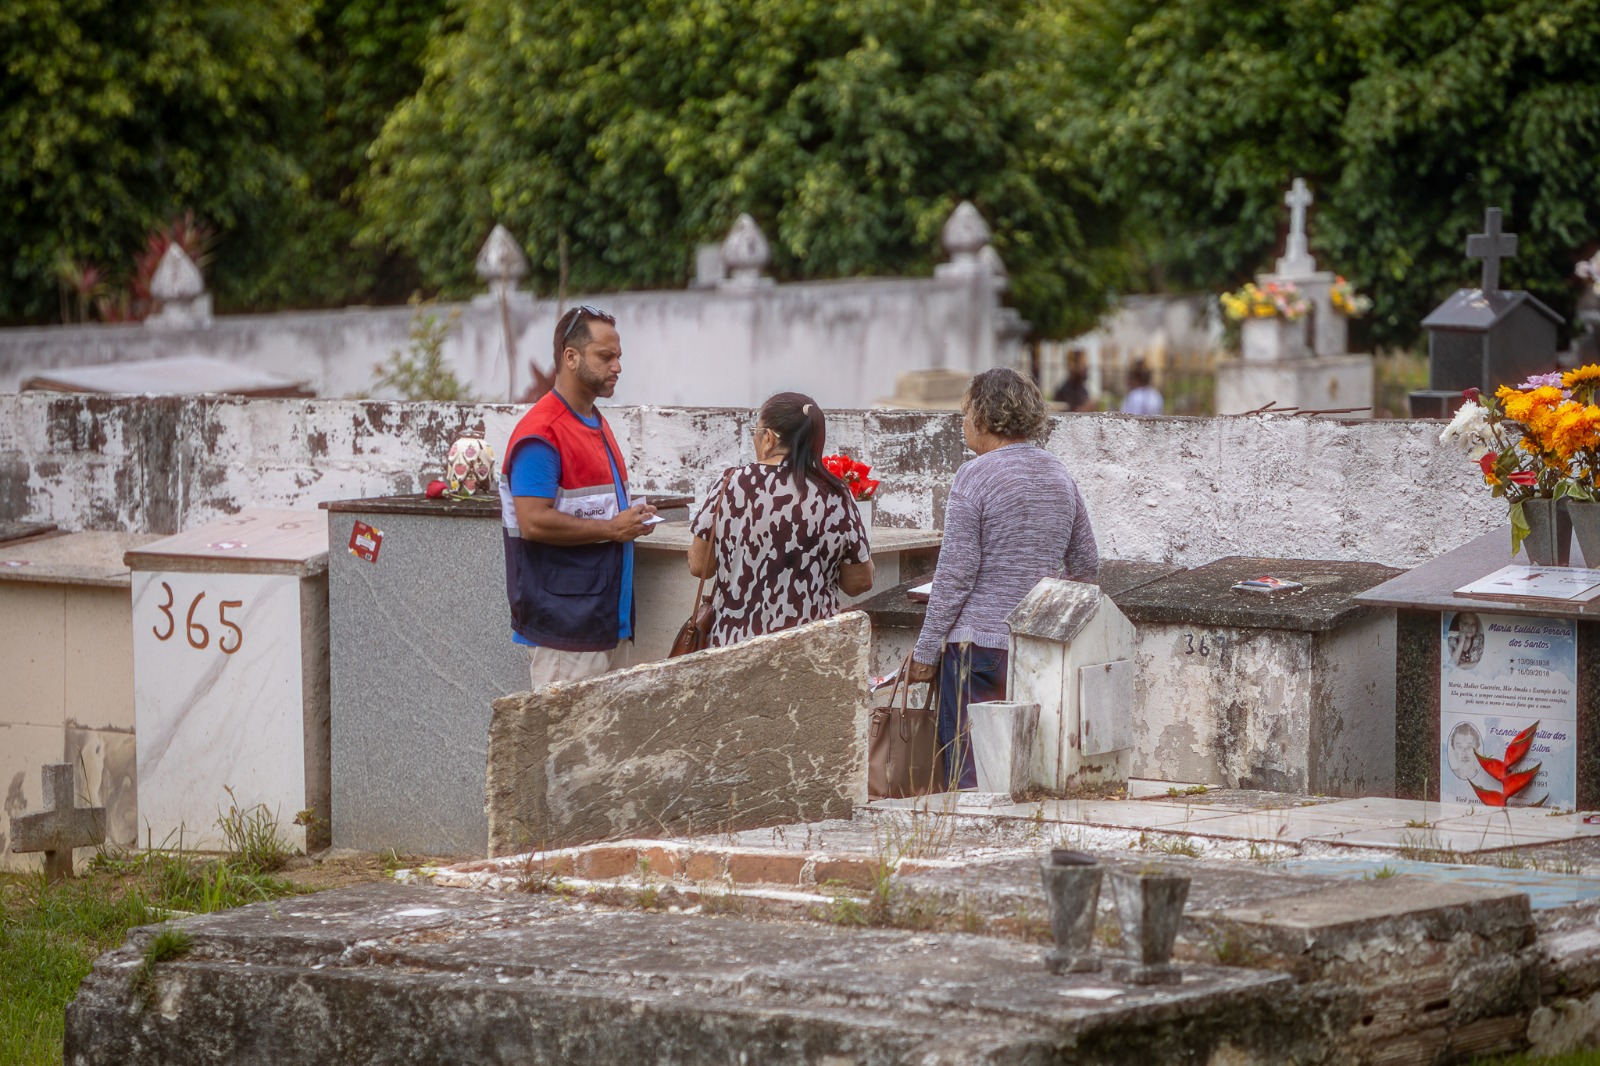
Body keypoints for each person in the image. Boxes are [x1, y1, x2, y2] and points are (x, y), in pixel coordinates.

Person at [908, 368, 1099, 789]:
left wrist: (925, 653)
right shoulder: (1058, 473)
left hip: (978, 646)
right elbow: (1086, 565)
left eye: (965, 413)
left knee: (972, 774)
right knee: (1025, 771)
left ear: (982, 416)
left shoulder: (974, 475)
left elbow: (955, 574)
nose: (963, 422)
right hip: (1036, 645)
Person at [500, 305, 657, 689]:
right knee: (566, 732)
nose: (617, 367)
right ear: (571, 357)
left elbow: (594, 507)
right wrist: (613, 528)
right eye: (605, 356)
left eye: (618, 356)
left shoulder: (594, 422)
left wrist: (630, 519)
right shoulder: (543, 432)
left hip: (605, 622)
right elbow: (533, 521)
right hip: (566, 631)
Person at [687, 392, 874, 648]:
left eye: (756, 432)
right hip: (812, 652)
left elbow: (700, 566)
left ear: (769, 438)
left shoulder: (730, 484)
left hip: (733, 649)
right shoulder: (835, 494)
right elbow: (860, 582)